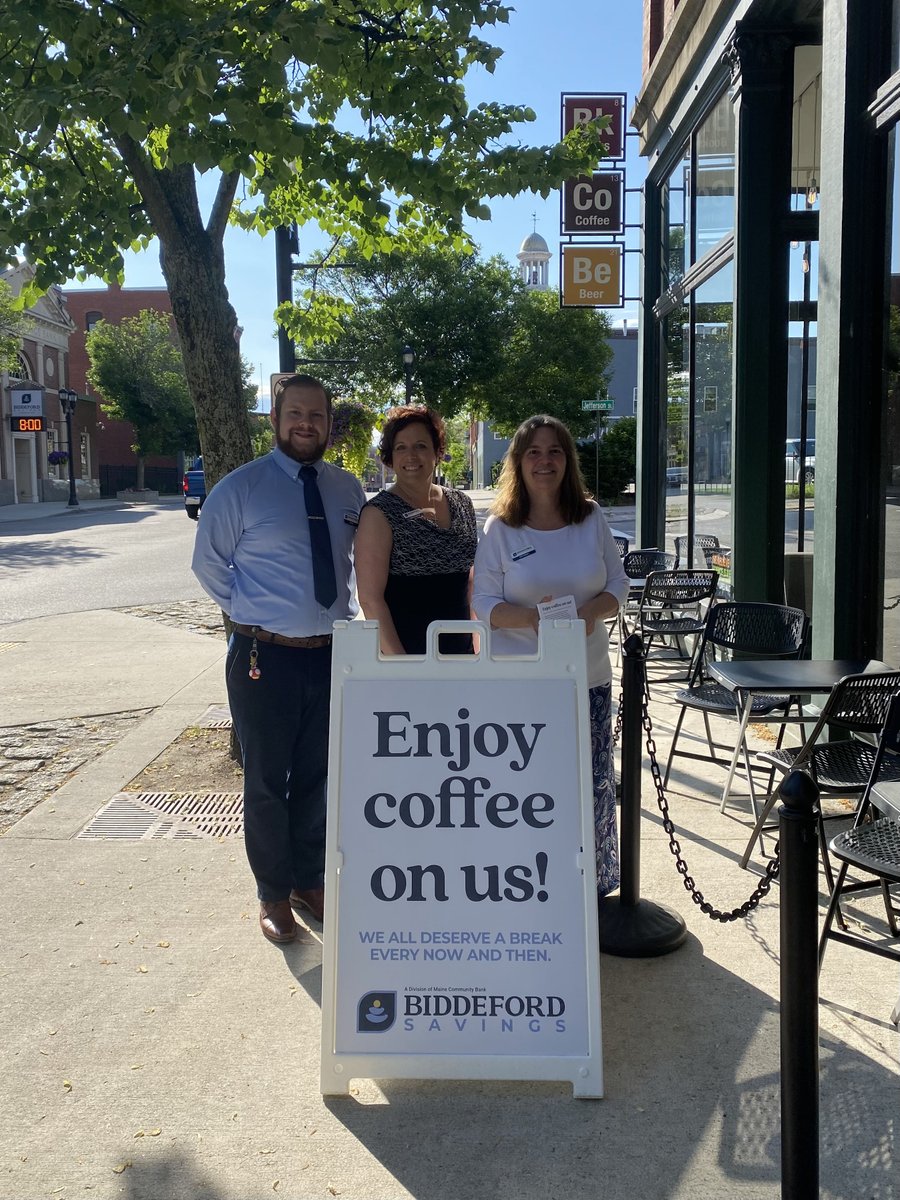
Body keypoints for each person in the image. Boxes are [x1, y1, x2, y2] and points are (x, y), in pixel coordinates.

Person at [191, 374, 366, 943]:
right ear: (275, 417)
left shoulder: (347, 491)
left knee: (318, 775)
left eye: (316, 414)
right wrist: (253, 615)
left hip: (330, 657)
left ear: (328, 422)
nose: (306, 423)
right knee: (266, 780)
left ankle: (307, 880)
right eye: (295, 413)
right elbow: (210, 566)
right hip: (262, 658)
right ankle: (271, 894)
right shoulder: (240, 489)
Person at [472, 414, 630, 897]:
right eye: (533, 452)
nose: (545, 461)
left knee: (590, 787)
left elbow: (619, 584)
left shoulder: (591, 517)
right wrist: (532, 620)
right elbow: (482, 604)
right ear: (518, 463)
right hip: (521, 685)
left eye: (555, 451)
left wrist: (586, 615)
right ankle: (526, 887)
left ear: (568, 460)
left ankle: (591, 892)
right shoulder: (501, 528)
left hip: (586, 678)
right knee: (524, 793)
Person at [355, 405, 477, 655]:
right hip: (406, 658)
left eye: (421, 446)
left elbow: (470, 583)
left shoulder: (462, 504)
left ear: (437, 452)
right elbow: (370, 600)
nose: (411, 456)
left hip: (462, 656)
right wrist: (405, 669)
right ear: (390, 457)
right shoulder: (378, 513)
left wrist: (477, 649)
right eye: (401, 447)